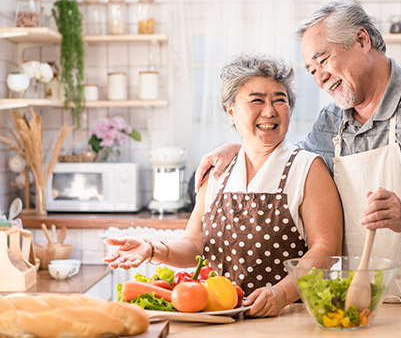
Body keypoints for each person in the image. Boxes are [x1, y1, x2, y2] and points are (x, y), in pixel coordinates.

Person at [195, 0, 401, 338]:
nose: (320, 77)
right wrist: (238, 146)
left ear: (362, 41)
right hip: (361, 306)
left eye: (323, 60)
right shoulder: (332, 121)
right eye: (311, 69)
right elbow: (286, 159)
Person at [104, 53, 343, 318]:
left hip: (290, 318)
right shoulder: (218, 171)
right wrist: (152, 248)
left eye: (280, 100)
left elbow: (326, 249)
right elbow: (195, 245)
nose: (270, 111)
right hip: (220, 319)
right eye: (256, 100)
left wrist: (281, 294)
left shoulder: (308, 168)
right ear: (231, 111)